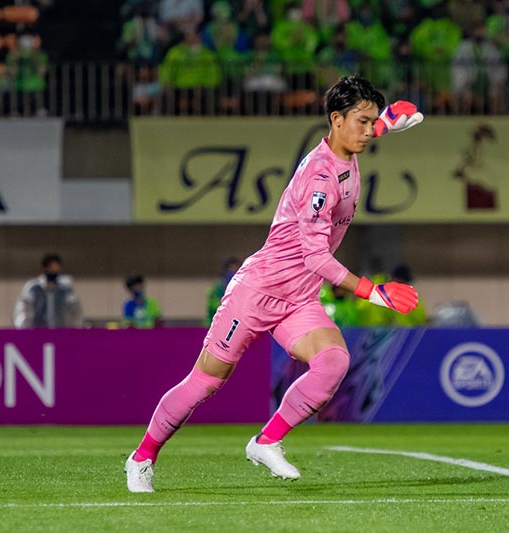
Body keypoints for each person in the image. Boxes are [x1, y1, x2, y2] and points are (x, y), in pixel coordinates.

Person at [125, 75, 424, 493]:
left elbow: (362, 130)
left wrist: (386, 122)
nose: (367, 131)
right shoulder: (321, 179)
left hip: (298, 299)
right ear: (336, 120)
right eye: (362, 121)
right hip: (257, 292)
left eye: (370, 122)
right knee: (206, 382)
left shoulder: (346, 144)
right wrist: (373, 291)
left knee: (333, 362)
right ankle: (142, 458)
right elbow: (316, 257)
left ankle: (266, 441)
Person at [13, 253, 83, 329]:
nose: (54, 272)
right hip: (38, 332)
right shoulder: (33, 288)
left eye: (57, 270)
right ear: (44, 269)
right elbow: (24, 311)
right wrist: (24, 330)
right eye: (51, 269)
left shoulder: (66, 290)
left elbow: (75, 312)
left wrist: (74, 330)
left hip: (60, 332)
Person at [205, 257, 241, 323]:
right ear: (225, 271)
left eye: (235, 270)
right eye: (230, 270)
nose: (233, 273)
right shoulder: (217, 288)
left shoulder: (242, 288)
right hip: (215, 323)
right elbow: (213, 307)